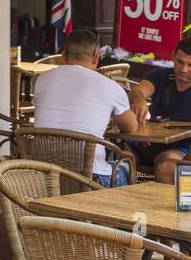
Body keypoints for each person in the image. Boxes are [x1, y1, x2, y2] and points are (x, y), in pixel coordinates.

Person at [33, 28, 140, 185]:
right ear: (96, 58)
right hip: (90, 179)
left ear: (63, 55)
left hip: (45, 175)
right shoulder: (111, 86)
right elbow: (130, 128)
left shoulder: (42, 80)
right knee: (127, 168)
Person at [127, 35, 191, 184]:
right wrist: (139, 100)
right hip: (147, 143)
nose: (183, 69)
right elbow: (137, 92)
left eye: (190, 65)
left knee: (164, 165)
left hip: (182, 147)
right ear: (173, 56)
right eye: (179, 62)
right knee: (113, 155)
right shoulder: (160, 75)